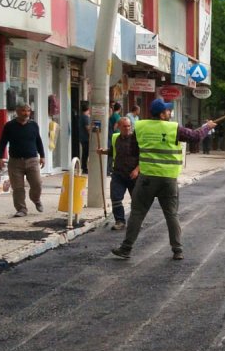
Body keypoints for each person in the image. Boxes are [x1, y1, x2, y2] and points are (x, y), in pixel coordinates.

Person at [111, 99, 216, 261]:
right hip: (168, 179)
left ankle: (126, 248)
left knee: (137, 213)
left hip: (147, 179)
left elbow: (133, 150)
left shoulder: (140, 127)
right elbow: (195, 137)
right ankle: (177, 250)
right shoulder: (173, 128)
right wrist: (207, 127)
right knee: (171, 214)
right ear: (161, 115)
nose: (169, 112)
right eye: (167, 111)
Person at [0, 103, 45, 217]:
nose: (26, 113)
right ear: (17, 112)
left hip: (32, 160)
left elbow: (38, 141)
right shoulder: (9, 126)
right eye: (23, 110)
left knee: (37, 184)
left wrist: (42, 156)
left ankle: (36, 199)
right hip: (15, 161)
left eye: (28, 111)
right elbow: (3, 142)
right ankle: (21, 209)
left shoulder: (33, 125)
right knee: (18, 188)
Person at [96, 116, 137, 230]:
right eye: (124, 126)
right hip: (118, 173)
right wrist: (103, 151)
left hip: (133, 175)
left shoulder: (136, 139)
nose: (127, 128)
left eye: (129, 126)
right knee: (116, 197)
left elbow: (143, 156)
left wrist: (137, 170)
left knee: (136, 200)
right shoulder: (115, 138)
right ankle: (120, 221)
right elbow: (113, 151)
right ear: (119, 127)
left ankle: (136, 221)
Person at [74, 100, 91, 173]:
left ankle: (84, 167)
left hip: (82, 137)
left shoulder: (81, 117)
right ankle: (84, 167)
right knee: (86, 153)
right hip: (86, 138)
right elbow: (88, 128)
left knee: (85, 153)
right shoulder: (85, 117)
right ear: (88, 109)